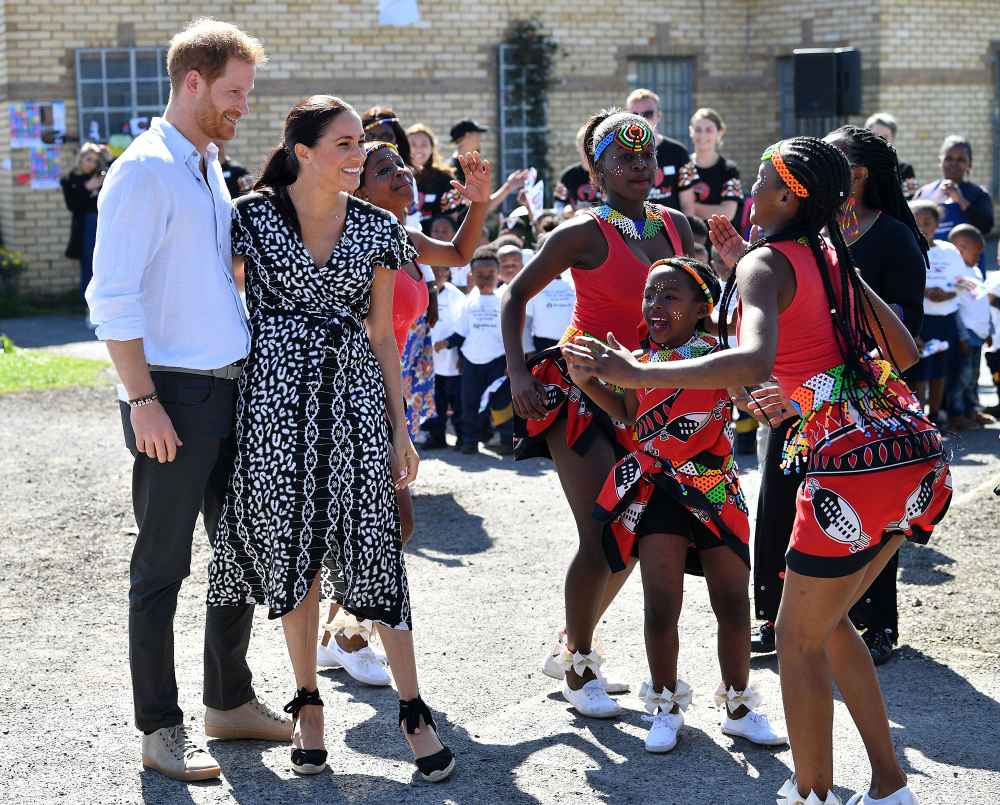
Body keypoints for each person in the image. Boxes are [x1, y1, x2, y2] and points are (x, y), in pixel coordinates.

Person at [572, 135, 950, 803]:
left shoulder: (767, 263)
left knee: (794, 637)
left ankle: (813, 794)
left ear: (786, 197)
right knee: (826, 623)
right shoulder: (828, 255)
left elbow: (748, 365)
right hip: (912, 459)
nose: (750, 191)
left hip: (847, 468)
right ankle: (890, 786)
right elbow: (907, 350)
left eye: (763, 180)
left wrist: (634, 368)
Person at [207, 97, 456, 783]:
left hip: (352, 402)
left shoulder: (378, 227)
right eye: (344, 144)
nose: (358, 155)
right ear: (304, 150)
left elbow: (383, 334)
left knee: (374, 544)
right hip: (273, 406)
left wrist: (400, 427)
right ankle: (308, 702)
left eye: (360, 144)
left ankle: (413, 709)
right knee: (294, 553)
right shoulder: (247, 218)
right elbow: (219, 306)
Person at [84, 19, 287, 783]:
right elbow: (112, 296)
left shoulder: (204, 165)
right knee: (161, 567)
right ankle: (159, 727)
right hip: (168, 393)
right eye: (234, 93)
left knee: (240, 557)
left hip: (227, 391)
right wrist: (141, 398)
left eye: (248, 94)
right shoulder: (143, 170)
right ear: (192, 82)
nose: (242, 107)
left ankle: (228, 702)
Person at [502, 109, 693, 718]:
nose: (640, 169)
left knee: (635, 533)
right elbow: (514, 295)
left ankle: (569, 642)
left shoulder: (677, 227)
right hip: (580, 391)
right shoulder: (581, 233)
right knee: (601, 531)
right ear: (597, 170)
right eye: (625, 160)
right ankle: (580, 661)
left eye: (647, 159)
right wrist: (515, 372)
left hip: (648, 395)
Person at [567, 257, 785, 753]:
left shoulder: (719, 355)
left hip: (716, 492)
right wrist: (589, 382)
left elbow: (749, 391)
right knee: (661, 608)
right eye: (650, 295)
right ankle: (664, 707)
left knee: (732, 605)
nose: (656, 305)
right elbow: (629, 412)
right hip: (660, 492)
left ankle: (739, 706)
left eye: (670, 296)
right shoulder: (638, 358)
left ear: (699, 308)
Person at [738, 125, 930, 667]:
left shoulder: (888, 239)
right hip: (790, 404)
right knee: (778, 506)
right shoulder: (793, 245)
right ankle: (776, 616)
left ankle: (873, 624)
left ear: (856, 176)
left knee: (865, 512)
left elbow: (902, 345)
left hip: (854, 404)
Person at [316, 140, 492, 684]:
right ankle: (346, 634)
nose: (401, 174)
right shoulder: (343, 239)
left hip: (388, 393)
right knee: (387, 520)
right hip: (346, 393)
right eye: (383, 169)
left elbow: (460, 255)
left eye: (402, 166)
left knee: (384, 519)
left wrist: (479, 202)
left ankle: (336, 633)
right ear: (356, 184)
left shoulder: (402, 238)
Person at [436, 246, 512, 455]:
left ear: (498, 274)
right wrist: (448, 344)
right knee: (469, 402)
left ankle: (507, 439)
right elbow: (461, 333)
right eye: (480, 274)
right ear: (472, 275)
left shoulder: (503, 301)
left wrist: (510, 362)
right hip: (471, 362)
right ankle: (470, 440)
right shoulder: (468, 302)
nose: (486, 278)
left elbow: (510, 336)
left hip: (497, 361)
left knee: (501, 402)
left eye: (490, 274)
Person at [908, 199, 968, 425]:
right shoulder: (907, 248)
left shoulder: (949, 251)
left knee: (939, 372)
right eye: (916, 221)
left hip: (945, 321)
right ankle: (918, 419)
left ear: (937, 224)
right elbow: (901, 286)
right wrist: (924, 291)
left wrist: (948, 294)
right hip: (921, 322)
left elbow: (964, 283)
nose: (922, 227)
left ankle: (935, 417)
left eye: (927, 222)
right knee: (919, 373)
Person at [947, 224, 993, 427]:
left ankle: (972, 409)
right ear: (960, 249)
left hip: (980, 333)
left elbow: (981, 302)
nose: (980, 257)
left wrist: (989, 328)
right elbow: (955, 306)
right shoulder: (956, 274)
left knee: (974, 376)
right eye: (977, 252)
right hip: (966, 334)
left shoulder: (974, 271)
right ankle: (956, 413)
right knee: (961, 377)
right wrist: (962, 335)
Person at [914, 135, 994, 246]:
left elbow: (986, 227)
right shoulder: (924, 193)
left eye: (960, 160)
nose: (954, 164)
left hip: (965, 262)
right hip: (932, 261)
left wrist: (961, 201)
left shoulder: (979, 194)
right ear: (940, 161)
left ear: (969, 165)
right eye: (949, 158)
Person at [625, 88, 697, 212]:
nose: (641, 119)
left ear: (658, 115)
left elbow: (688, 205)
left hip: (671, 228)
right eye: (635, 115)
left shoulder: (679, 152)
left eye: (648, 114)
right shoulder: (621, 154)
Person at [425, 265, 466, 449]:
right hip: (428, 360)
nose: (440, 274)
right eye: (435, 269)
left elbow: (464, 327)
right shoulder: (422, 292)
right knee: (434, 402)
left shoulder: (456, 296)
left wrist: (452, 346)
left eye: (444, 270)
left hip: (451, 360)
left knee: (457, 402)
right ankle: (436, 438)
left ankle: (462, 438)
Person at [60, 142, 106, 305]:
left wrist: (107, 157)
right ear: (80, 158)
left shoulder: (100, 175)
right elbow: (72, 205)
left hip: (101, 225)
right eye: (88, 159)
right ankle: (88, 305)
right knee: (88, 263)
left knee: (101, 264)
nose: (91, 164)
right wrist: (87, 188)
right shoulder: (69, 179)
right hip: (84, 225)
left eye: (95, 160)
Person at [679, 108, 742, 223]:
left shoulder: (729, 170)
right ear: (690, 131)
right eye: (698, 129)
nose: (702, 135)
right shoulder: (684, 166)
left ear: (720, 132)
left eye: (709, 130)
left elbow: (728, 213)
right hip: (689, 237)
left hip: (720, 238)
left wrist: (688, 207)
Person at [407, 123, 463, 232]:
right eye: (413, 144)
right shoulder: (398, 176)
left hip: (434, 244)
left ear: (432, 148)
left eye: (424, 145)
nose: (418, 149)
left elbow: (453, 215)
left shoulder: (445, 178)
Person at [863, 113, 917, 198]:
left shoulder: (904, 169)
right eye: (874, 136)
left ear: (892, 140)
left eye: (885, 137)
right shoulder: (856, 167)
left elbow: (910, 200)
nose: (879, 141)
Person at [525, 265, 575, 353]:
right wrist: (529, 351)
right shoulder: (534, 285)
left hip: (571, 343)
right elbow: (526, 323)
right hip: (543, 344)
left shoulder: (572, 282)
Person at [554, 124, 600, 211]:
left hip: (601, 223)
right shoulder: (568, 176)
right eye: (583, 144)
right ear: (577, 147)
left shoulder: (606, 175)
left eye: (590, 144)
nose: (587, 149)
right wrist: (567, 211)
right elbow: (558, 206)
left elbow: (617, 210)